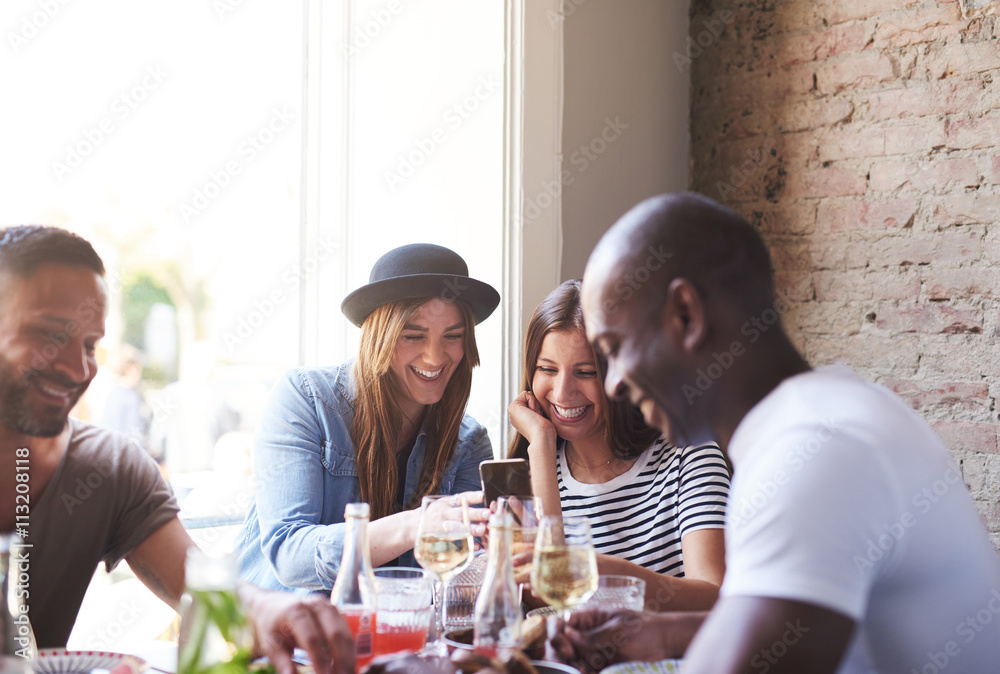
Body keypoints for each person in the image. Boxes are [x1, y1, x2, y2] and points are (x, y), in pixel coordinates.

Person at [548, 192, 1000, 673]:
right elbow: (794, 621)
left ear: (686, 315)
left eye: (614, 348)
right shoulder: (826, 412)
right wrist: (654, 633)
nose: (614, 381)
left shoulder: (813, 451)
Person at [0, 225, 353, 674]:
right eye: (49, 335)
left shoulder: (109, 468)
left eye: (90, 345)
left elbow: (201, 588)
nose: (78, 368)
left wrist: (267, 609)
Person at [236, 243, 499, 591]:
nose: (435, 357)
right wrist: (415, 525)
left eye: (453, 336)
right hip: (276, 635)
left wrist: (490, 554)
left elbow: (459, 576)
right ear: (380, 336)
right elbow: (289, 554)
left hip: (390, 635)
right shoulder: (305, 399)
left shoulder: (468, 441)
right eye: (413, 335)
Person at [507, 280, 728, 611]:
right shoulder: (531, 470)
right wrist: (540, 445)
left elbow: (717, 596)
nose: (563, 393)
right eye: (547, 369)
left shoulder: (689, 455)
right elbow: (541, 593)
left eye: (586, 372)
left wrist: (607, 574)